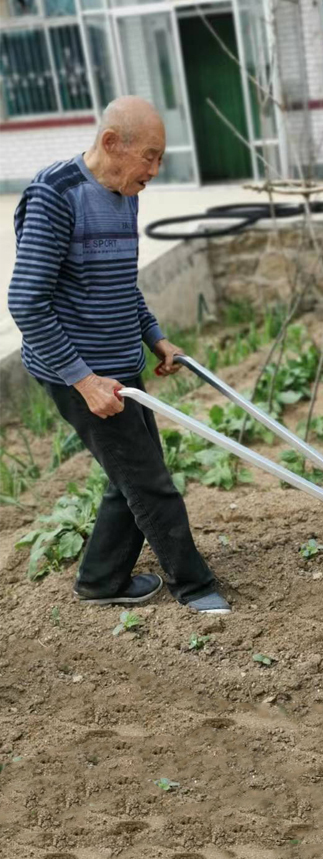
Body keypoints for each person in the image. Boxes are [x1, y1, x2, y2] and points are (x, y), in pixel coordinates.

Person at [8, 96, 230, 614]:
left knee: (132, 473)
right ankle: (193, 585)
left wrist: (155, 336)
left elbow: (121, 286)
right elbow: (26, 301)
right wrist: (83, 381)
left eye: (159, 159)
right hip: (78, 374)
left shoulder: (124, 193)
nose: (154, 170)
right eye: (148, 157)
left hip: (119, 367)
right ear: (111, 143)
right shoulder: (54, 196)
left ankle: (100, 579)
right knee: (150, 482)